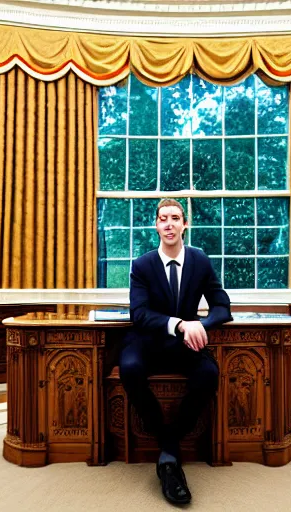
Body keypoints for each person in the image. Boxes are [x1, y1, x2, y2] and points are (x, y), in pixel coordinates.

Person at [119, 198, 232, 505]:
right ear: (156, 225)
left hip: (187, 344)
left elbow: (223, 306)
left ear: (185, 224)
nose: (168, 223)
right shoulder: (142, 265)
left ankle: (168, 447)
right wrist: (181, 323)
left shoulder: (200, 260)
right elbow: (138, 314)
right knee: (129, 369)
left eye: (175, 218)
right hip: (147, 341)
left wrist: (202, 325)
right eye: (163, 218)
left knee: (209, 374)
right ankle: (170, 446)